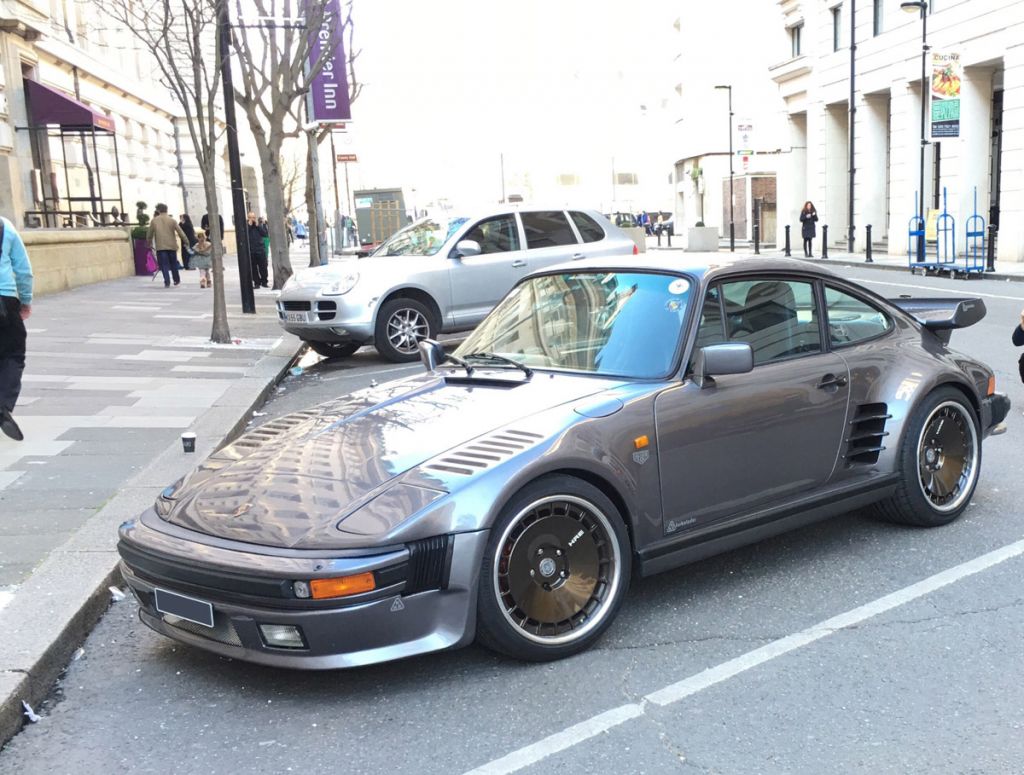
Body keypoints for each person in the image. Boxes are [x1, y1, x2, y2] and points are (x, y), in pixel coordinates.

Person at [0, 215, 32, 441]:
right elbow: (23, 269)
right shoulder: (5, 227)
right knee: (13, 354)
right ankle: (2, 406)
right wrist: (26, 299)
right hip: (5, 299)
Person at [147, 203, 189, 287]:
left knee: (164, 265)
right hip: (171, 245)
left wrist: (149, 242)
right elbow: (180, 232)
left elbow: (149, 234)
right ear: (167, 210)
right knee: (173, 263)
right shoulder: (172, 220)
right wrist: (186, 241)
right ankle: (176, 280)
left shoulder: (154, 221)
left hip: (161, 246)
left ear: (158, 210)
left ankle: (167, 281)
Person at [246, 211, 269, 288]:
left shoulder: (259, 226)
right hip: (251, 251)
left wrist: (258, 226)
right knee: (253, 268)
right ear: (248, 218)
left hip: (260, 249)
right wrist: (249, 225)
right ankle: (257, 283)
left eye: (253, 217)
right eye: (250, 217)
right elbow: (244, 234)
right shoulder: (246, 226)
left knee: (263, 267)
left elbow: (265, 234)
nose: (252, 219)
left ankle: (264, 282)